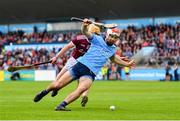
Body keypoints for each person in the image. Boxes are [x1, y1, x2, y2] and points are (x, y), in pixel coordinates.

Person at [33, 18, 135, 111]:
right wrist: (85, 25)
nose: (113, 39)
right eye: (111, 36)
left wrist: (127, 64)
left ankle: (62, 105)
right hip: (80, 66)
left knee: (82, 89)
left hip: (90, 73)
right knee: (57, 84)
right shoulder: (97, 39)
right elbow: (85, 32)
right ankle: (44, 92)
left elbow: (114, 59)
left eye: (115, 37)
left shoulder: (113, 49)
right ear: (107, 35)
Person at [50, 24, 101, 107]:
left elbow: (67, 47)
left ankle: (56, 88)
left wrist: (56, 57)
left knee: (61, 77)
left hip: (79, 61)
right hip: (81, 61)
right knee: (84, 81)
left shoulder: (91, 40)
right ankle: (84, 95)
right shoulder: (91, 40)